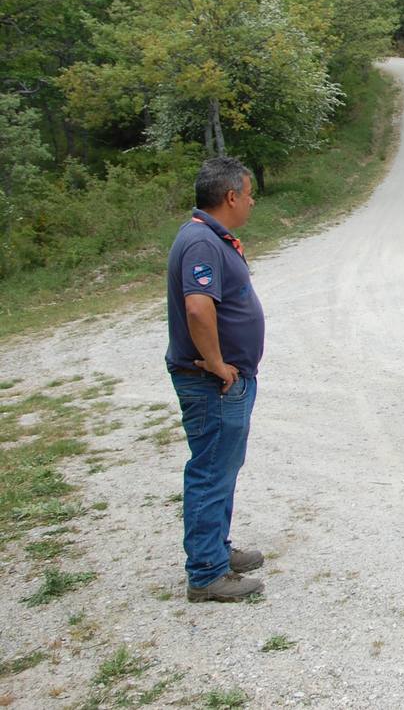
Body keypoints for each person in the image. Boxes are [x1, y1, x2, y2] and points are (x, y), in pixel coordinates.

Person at [165, 156, 267, 602]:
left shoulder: (208, 237)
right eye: (248, 195)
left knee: (222, 467)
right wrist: (219, 362)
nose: (251, 202)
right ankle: (206, 572)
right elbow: (197, 307)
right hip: (213, 382)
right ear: (230, 196)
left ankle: (217, 551)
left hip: (225, 379)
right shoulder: (201, 243)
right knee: (210, 471)